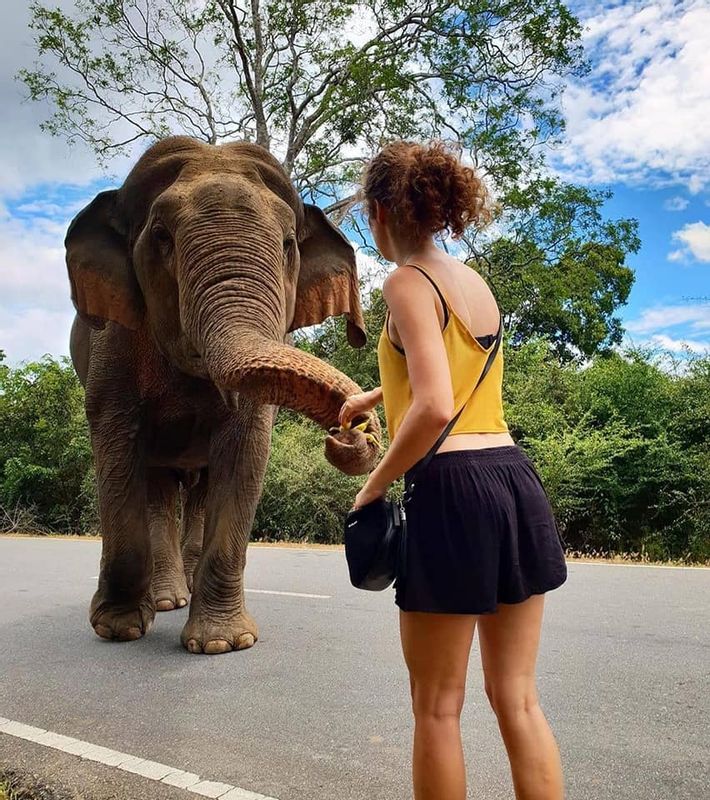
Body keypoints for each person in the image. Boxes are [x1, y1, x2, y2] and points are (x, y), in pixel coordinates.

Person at [338, 141, 567, 800]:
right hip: (512, 479)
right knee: (517, 699)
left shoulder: (405, 282)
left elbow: (436, 404)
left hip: (453, 491)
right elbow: (455, 371)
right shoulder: (472, 283)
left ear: (382, 211)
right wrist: (374, 393)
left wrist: (372, 486)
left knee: (437, 707)